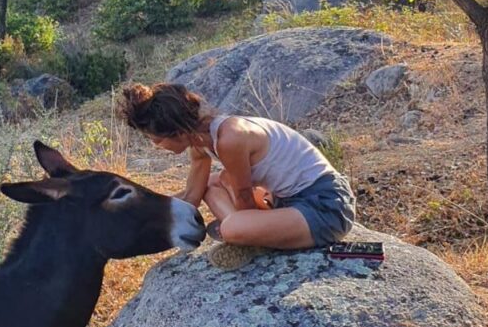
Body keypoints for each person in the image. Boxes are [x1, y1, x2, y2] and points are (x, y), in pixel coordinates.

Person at [119, 82, 355, 250]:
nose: (157, 146)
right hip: (285, 200)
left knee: (233, 228)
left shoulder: (230, 138)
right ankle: (244, 228)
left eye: (157, 140)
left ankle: (236, 232)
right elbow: (192, 196)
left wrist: (240, 226)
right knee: (210, 184)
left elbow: (244, 201)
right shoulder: (200, 144)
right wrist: (147, 215)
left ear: (179, 132)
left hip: (326, 206)